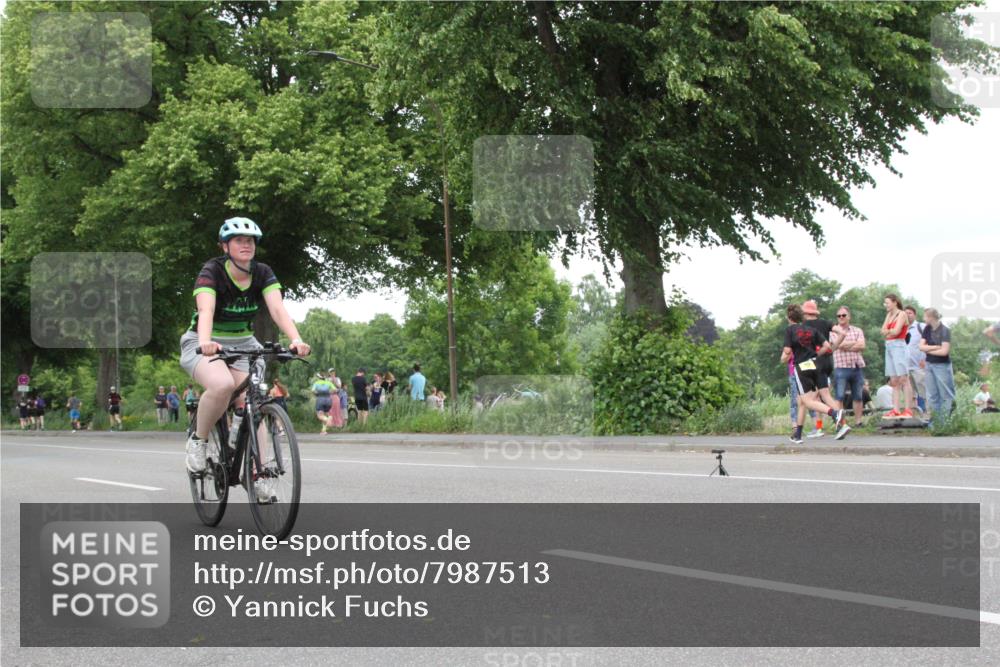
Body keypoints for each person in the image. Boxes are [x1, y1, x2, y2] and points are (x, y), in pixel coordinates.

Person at [179, 217, 310, 505]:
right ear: (225, 246)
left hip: (243, 344)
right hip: (204, 342)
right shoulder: (212, 271)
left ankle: (259, 476)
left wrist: (296, 339)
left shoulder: (262, 272)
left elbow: (277, 308)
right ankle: (198, 442)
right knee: (222, 384)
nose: (245, 245)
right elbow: (206, 310)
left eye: (250, 241)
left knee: (253, 404)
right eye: (238, 240)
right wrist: (205, 342)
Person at [780, 304, 848, 444]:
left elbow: (787, 352)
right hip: (817, 364)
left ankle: (835, 414)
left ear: (789, 317)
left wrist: (784, 358)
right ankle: (797, 435)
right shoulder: (812, 329)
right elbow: (828, 346)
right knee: (805, 400)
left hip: (801, 367)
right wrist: (817, 354)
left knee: (807, 401)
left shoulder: (790, 330)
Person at [801, 300, 841, 437]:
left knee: (817, 397)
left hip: (815, 363)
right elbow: (842, 333)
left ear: (805, 313)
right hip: (828, 361)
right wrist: (832, 348)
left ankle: (838, 423)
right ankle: (825, 426)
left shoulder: (804, 326)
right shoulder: (826, 323)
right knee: (820, 395)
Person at [830, 306, 867, 428]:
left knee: (858, 395)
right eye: (838, 315)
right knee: (839, 396)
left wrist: (846, 345)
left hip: (856, 366)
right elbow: (838, 345)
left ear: (849, 316)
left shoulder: (857, 330)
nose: (841, 317)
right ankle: (841, 422)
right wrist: (853, 344)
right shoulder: (833, 331)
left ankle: (858, 422)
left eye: (843, 315)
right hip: (840, 367)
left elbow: (862, 346)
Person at [918, 308, 955, 425]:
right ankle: (936, 422)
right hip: (929, 364)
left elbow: (944, 352)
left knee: (945, 394)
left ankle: (945, 423)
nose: (923, 319)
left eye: (925, 316)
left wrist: (928, 349)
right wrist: (935, 347)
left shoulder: (945, 331)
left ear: (931, 317)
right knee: (932, 395)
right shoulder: (927, 329)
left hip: (942, 366)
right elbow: (921, 347)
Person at [880, 294, 913, 418]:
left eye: (887, 302)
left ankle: (908, 409)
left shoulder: (902, 314)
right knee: (894, 380)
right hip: (889, 346)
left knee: (903, 378)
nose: (886, 305)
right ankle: (896, 409)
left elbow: (897, 331)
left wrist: (888, 332)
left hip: (899, 346)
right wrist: (889, 332)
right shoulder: (889, 315)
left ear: (895, 302)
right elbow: (882, 331)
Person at [904, 306, 927, 414]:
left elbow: (929, 342)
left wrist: (924, 358)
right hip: (905, 367)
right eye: (905, 313)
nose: (907, 315)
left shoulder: (921, 326)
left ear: (915, 315)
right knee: (910, 395)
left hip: (919, 366)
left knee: (924, 392)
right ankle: (913, 416)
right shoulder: (902, 329)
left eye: (910, 313)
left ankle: (930, 416)